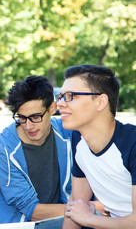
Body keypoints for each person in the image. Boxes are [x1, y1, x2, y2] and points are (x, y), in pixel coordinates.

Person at [58, 65, 136, 228]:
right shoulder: (79, 138)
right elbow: (76, 204)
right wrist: (83, 217)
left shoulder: (132, 143)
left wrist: (88, 219)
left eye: (70, 96)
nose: (60, 104)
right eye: (61, 96)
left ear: (101, 102)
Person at [0, 76, 72, 226]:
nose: (28, 126)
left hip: (66, 219)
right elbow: (33, 212)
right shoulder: (3, 150)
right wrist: (89, 210)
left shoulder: (68, 133)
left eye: (35, 117)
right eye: (22, 117)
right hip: (24, 225)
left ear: (53, 108)